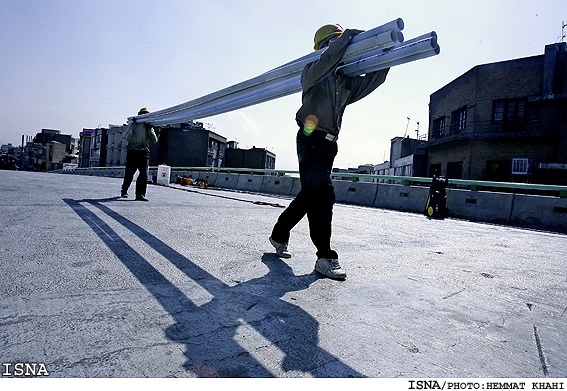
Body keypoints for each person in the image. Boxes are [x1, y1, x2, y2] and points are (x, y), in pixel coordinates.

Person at [269, 24, 390, 280]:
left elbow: (375, 79)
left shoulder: (346, 81)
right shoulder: (311, 73)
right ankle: (325, 256)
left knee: (310, 194)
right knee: (324, 194)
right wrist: (348, 36)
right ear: (324, 47)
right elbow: (329, 58)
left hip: (329, 145)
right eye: (332, 42)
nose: (338, 47)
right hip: (310, 137)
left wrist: (386, 50)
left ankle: (279, 234)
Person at [121, 107, 158, 201]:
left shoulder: (149, 126)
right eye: (143, 114)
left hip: (143, 152)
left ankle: (140, 194)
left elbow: (154, 140)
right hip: (133, 152)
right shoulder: (134, 124)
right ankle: (124, 189)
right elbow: (127, 137)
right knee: (129, 173)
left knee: (144, 174)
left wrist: (149, 129)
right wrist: (133, 129)